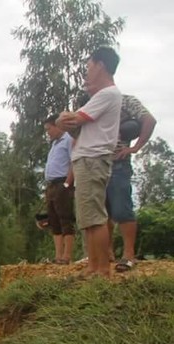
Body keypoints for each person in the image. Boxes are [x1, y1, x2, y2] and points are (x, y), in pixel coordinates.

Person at [56, 47, 122, 278]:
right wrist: (66, 120)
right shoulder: (102, 97)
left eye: (89, 66)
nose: (87, 71)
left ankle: (102, 269)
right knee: (88, 218)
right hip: (86, 158)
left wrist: (66, 116)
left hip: (94, 158)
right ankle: (93, 267)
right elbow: (70, 124)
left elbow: (73, 120)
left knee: (95, 216)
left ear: (101, 65)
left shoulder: (107, 94)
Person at [107, 95, 157, 272]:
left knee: (122, 208)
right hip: (95, 164)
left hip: (117, 162)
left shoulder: (125, 101)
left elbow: (149, 120)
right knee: (102, 212)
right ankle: (107, 253)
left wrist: (135, 147)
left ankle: (129, 254)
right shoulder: (90, 104)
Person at [42, 114, 76, 264]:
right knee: (53, 220)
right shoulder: (54, 144)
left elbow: (73, 162)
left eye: (49, 129)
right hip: (51, 185)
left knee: (65, 218)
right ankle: (58, 255)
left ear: (57, 126)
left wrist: (67, 184)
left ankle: (67, 255)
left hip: (63, 183)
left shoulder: (68, 140)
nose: (48, 132)